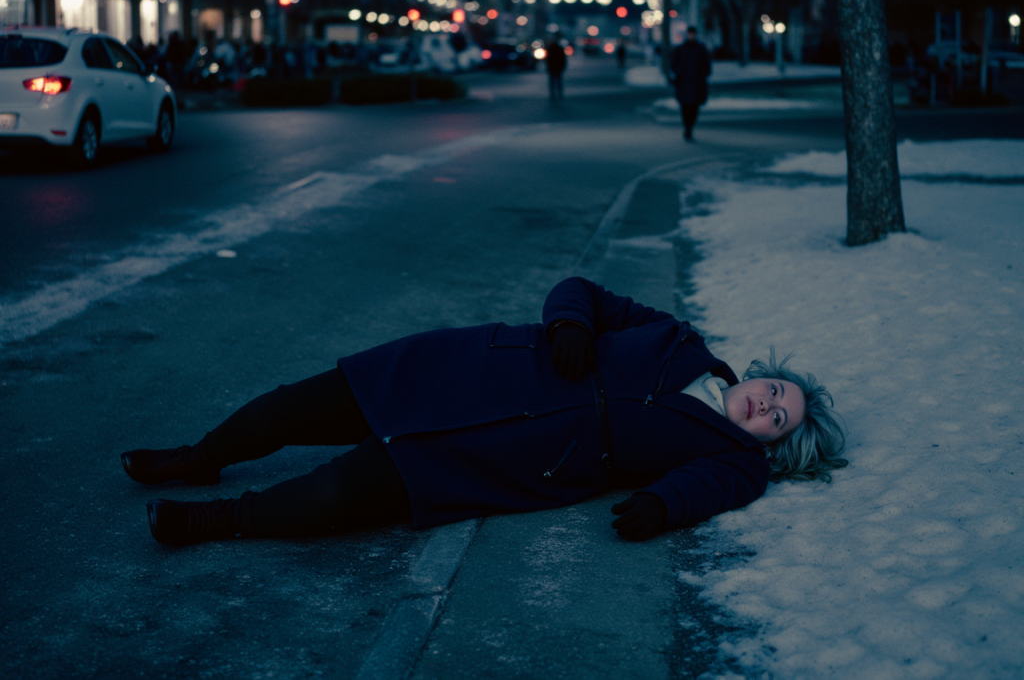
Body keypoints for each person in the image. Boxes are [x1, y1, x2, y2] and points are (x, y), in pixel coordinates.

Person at [122, 277, 847, 547]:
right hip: (463, 369)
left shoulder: (733, 461)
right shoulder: (679, 339)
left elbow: (703, 492)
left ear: (772, 446)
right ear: (762, 375)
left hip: (506, 457)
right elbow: (583, 291)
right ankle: (199, 458)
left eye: (777, 421)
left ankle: (219, 521)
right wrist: (573, 326)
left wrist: (660, 506)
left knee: (340, 491)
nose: (767, 407)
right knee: (296, 409)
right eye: (776, 392)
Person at [669, 26, 712, 141]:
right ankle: (687, 128)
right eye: (690, 34)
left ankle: (690, 127)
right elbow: (673, 65)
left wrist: (701, 74)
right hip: (684, 83)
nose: (691, 36)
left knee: (694, 108)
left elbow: (707, 67)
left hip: (697, 84)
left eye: (693, 34)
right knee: (685, 108)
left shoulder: (701, 49)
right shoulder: (681, 49)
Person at [545, 37, 567, 102]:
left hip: (552, 67)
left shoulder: (550, 49)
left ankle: (553, 94)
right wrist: (563, 67)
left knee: (552, 82)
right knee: (558, 81)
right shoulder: (559, 49)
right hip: (557, 67)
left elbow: (547, 59)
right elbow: (563, 59)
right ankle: (559, 93)